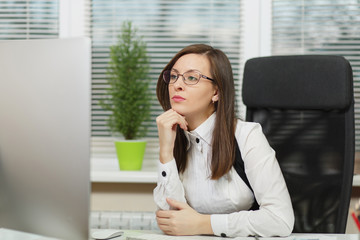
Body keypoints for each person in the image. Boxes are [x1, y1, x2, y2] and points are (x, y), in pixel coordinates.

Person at [153, 44, 294, 237]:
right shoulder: (173, 137)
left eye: (191, 77)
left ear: (216, 92)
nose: (177, 84)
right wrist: (166, 153)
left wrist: (204, 224)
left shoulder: (246, 136)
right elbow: (174, 221)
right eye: (174, 76)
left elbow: (280, 220)